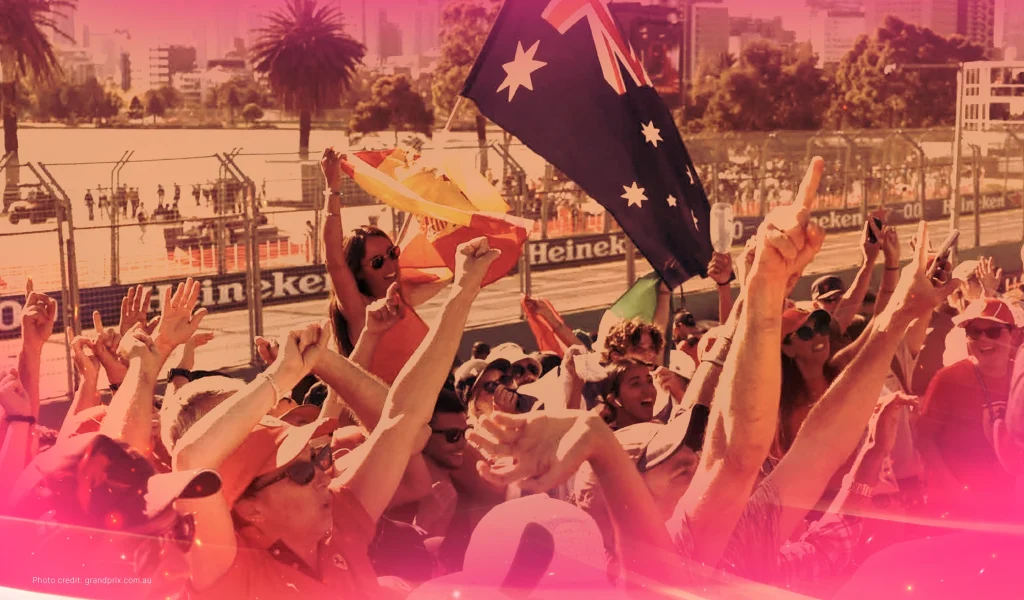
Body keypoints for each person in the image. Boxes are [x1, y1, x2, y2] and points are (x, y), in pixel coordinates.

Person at [320, 147, 443, 384]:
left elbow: (452, 277)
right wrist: (332, 187)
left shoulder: (402, 296)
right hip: (393, 411)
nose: (391, 264)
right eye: (377, 262)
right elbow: (334, 259)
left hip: (432, 401)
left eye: (392, 253)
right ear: (357, 271)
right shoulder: (359, 309)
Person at [915, 297, 1021, 523]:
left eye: (993, 331)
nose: (983, 338)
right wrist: (950, 486)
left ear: (1012, 335)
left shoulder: (1020, 375)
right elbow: (923, 437)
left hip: (1012, 498)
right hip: (963, 503)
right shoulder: (949, 379)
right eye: (974, 332)